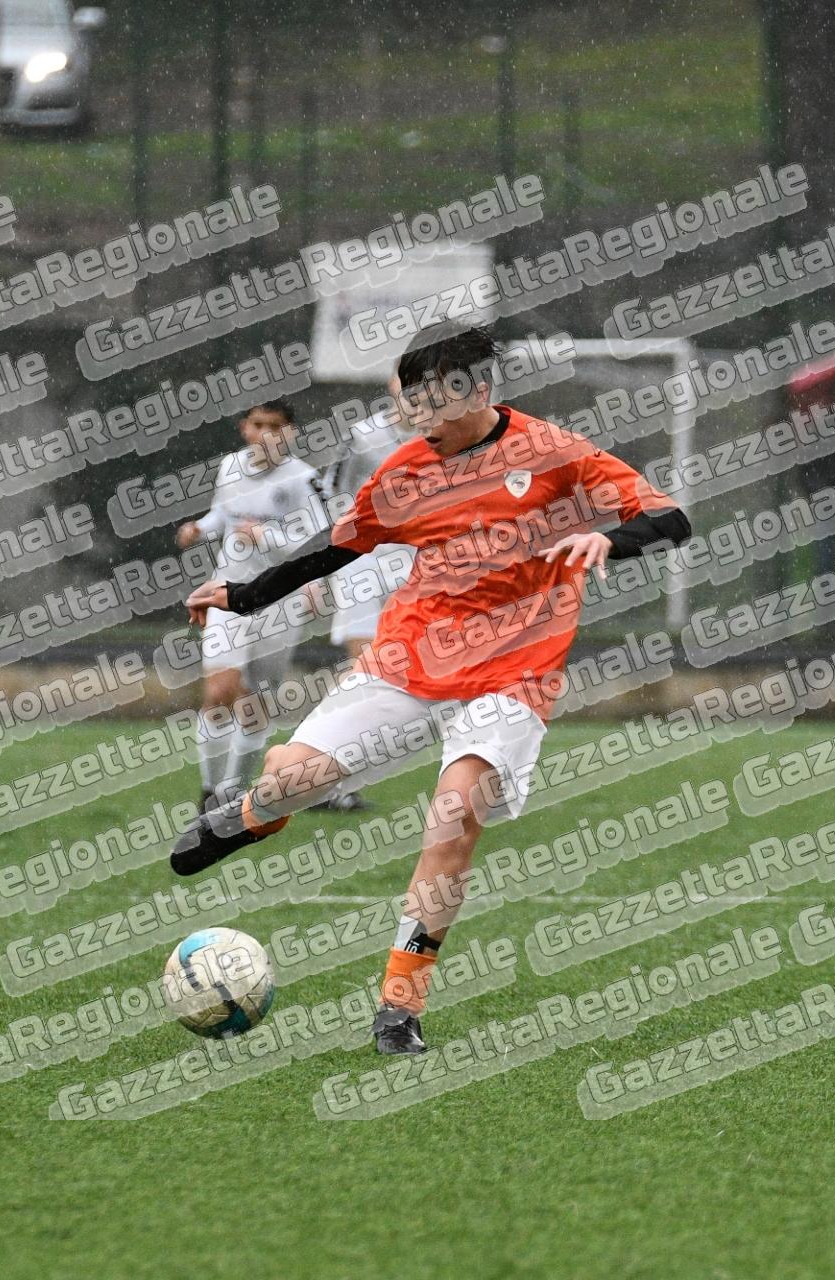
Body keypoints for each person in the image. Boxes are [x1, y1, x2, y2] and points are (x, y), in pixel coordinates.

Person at [171, 324, 692, 1055]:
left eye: (433, 407)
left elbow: (671, 517)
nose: (420, 423)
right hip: (409, 656)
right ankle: (250, 814)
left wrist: (611, 538)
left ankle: (398, 1007)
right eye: (411, 407)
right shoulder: (409, 469)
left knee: (455, 817)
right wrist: (243, 595)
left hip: (513, 673)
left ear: (479, 392)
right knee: (292, 780)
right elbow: (333, 549)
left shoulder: (554, 453)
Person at [176, 401, 328, 809]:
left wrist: (270, 540)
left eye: (276, 426)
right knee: (219, 691)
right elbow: (223, 515)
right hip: (227, 594)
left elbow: (318, 542)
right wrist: (200, 528)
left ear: (290, 432)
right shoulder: (230, 467)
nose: (266, 434)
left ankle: (233, 793)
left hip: (280, 601)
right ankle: (210, 793)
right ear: (245, 428)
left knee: (256, 704)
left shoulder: (304, 479)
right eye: (258, 425)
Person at [313, 407, 413, 812]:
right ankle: (318, 774)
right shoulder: (362, 435)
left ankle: (325, 773)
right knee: (364, 670)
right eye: (408, 384)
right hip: (361, 563)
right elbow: (327, 494)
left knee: (391, 671)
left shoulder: (446, 436)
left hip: (410, 562)